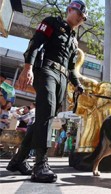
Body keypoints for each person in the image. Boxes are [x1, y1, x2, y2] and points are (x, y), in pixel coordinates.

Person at [6, 0, 87, 183]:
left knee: (46, 116)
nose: (79, 17)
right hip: (46, 71)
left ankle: (18, 161)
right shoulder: (52, 22)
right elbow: (36, 43)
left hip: (62, 79)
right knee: (48, 110)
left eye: (82, 16)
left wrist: (77, 84)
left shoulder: (74, 41)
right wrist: (27, 68)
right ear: (70, 10)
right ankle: (40, 165)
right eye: (77, 12)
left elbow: (72, 68)